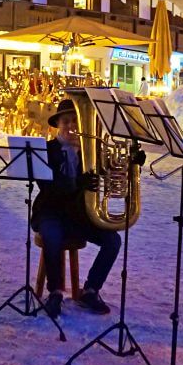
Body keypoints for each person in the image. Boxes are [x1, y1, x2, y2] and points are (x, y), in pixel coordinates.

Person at [31, 98, 122, 319]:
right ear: (58, 125)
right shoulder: (46, 150)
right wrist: (77, 182)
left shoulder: (90, 152)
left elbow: (110, 175)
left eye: (75, 121)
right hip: (51, 212)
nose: (71, 126)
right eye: (66, 121)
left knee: (113, 241)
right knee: (52, 237)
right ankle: (55, 292)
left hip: (79, 216)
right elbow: (48, 186)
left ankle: (90, 290)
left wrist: (130, 163)